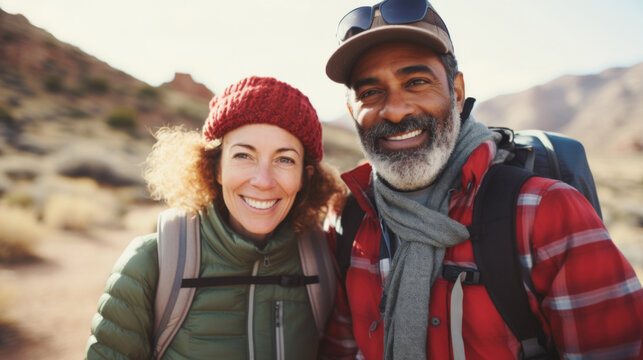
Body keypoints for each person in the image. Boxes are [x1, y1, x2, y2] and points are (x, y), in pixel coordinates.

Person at [319, 1, 643, 359]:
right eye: (369, 92)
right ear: (352, 110)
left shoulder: (546, 213)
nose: (396, 109)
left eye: (416, 82)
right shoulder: (348, 222)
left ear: (456, 92)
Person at [85, 76, 346, 359]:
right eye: (244, 156)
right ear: (216, 168)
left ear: (305, 177)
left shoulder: (325, 261)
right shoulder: (151, 264)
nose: (263, 181)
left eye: (285, 159)